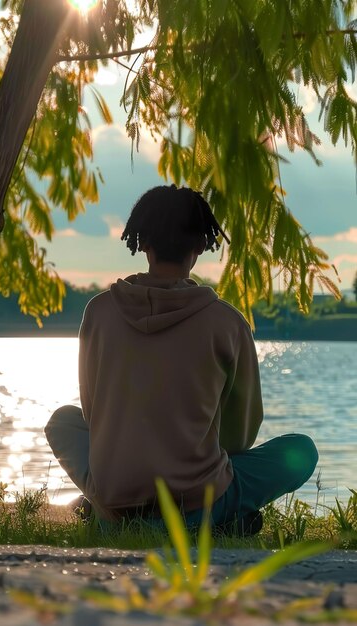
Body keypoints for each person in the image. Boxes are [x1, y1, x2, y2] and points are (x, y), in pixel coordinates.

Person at [45, 184, 318, 534]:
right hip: (195, 501)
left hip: (115, 502)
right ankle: (215, 521)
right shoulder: (228, 323)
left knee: (63, 421)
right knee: (301, 451)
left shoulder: (98, 312)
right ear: (203, 244)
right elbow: (240, 438)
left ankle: (105, 509)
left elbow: (91, 413)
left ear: (141, 242)